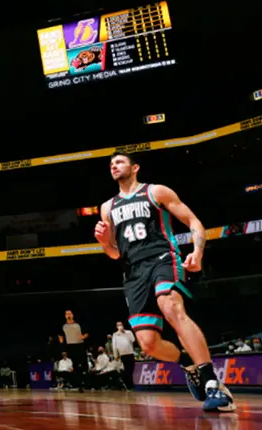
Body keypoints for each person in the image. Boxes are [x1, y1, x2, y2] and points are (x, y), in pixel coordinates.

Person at [95, 151, 235, 412]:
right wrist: (104, 244)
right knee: (148, 343)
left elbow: (193, 221)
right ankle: (187, 362)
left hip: (162, 258)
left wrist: (198, 251)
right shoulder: (107, 207)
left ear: (135, 167)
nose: (114, 165)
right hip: (133, 272)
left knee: (170, 306)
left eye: (119, 161)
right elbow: (114, 253)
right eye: (111, 164)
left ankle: (213, 384)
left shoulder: (156, 191)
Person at [59, 310, 88, 392]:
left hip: (80, 345)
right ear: (65, 316)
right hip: (70, 346)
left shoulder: (78, 324)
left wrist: (83, 336)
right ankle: (79, 385)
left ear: (72, 315)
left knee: (82, 365)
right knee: (74, 366)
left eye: (70, 313)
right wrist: (62, 347)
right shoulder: (63, 326)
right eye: (66, 314)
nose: (68, 315)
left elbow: (86, 333)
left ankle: (82, 381)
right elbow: (61, 337)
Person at [111, 321, 137, 389]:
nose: (120, 326)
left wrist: (124, 333)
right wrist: (115, 355)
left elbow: (133, 340)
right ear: (116, 327)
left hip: (130, 353)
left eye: (121, 325)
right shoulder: (115, 334)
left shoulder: (128, 332)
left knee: (131, 369)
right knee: (127, 370)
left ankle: (129, 384)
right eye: (118, 325)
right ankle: (130, 385)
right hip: (123, 354)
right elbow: (114, 346)